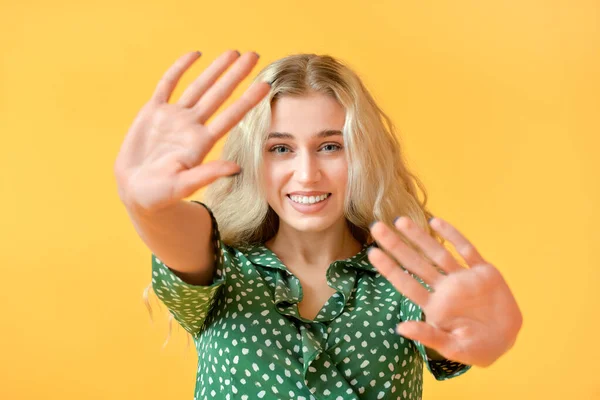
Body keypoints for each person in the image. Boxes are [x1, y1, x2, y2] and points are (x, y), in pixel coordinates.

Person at [114, 50, 523, 400]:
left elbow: (446, 330)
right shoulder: (225, 268)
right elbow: (178, 230)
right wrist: (145, 204)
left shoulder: (402, 280)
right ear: (254, 159)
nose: (307, 174)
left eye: (330, 146)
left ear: (361, 153)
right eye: (281, 148)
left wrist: (480, 338)